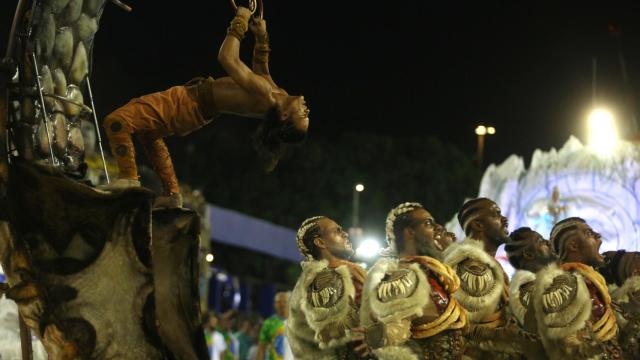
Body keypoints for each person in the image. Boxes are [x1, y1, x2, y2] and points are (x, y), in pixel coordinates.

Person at [102, 6, 309, 207]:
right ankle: (172, 193)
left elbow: (227, 58)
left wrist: (241, 20)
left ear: (283, 115)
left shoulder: (266, 97)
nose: (306, 110)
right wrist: (261, 37)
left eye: (303, 116)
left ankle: (128, 178)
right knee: (149, 135)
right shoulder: (277, 93)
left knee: (117, 122)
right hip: (195, 109)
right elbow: (261, 70)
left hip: (187, 104)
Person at [360, 202, 467, 359]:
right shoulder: (402, 276)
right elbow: (395, 331)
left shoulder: (434, 272)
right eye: (428, 223)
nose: (437, 228)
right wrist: (379, 335)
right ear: (410, 232)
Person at [442, 198, 526, 358]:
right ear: (478, 225)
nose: (505, 219)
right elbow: (461, 325)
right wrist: (503, 335)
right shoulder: (473, 266)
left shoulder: (491, 265)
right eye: (496, 214)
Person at [533, 217, 620, 359]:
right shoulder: (564, 286)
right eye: (589, 234)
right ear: (573, 246)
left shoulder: (590, 281)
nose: (598, 235)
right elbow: (570, 346)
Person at [286, 216, 367, 359]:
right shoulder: (323, 279)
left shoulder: (339, 272)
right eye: (337, 231)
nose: (345, 234)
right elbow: (332, 333)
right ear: (320, 242)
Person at [256, 292, 292, 360]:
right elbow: (261, 348)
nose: (282, 304)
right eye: (278, 302)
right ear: (274, 304)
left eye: (285, 301)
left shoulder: (297, 323)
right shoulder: (268, 323)